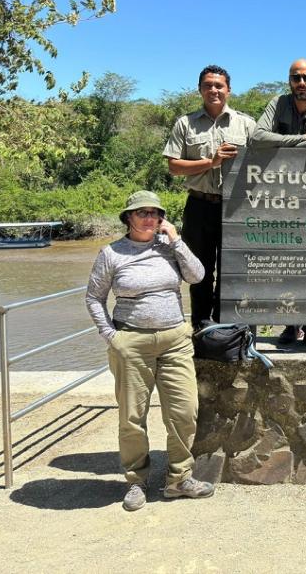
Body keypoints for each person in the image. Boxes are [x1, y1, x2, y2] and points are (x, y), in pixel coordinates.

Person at [85, 191, 215, 511]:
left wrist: (177, 241)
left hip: (175, 340)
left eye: (154, 213)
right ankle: (136, 481)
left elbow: (197, 276)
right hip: (131, 342)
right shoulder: (111, 253)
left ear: (162, 219)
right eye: (141, 213)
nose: (148, 218)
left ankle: (178, 479)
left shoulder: (169, 248)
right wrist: (111, 337)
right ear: (128, 218)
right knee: (132, 418)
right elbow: (94, 298)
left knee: (184, 412)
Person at [252, 58, 306, 348]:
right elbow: (257, 137)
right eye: (296, 77)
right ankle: (290, 325)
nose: (301, 83)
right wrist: (304, 137)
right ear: (289, 81)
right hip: (282, 195)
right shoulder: (277, 102)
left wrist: (283, 143)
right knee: (287, 260)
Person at [163, 65, 256, 330]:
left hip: (235, 208)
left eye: (219, 85)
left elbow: (264, 165)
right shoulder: (186, 123)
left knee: (232, 270)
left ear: (228, 89)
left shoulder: (246, 124)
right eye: (208, 85)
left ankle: (227, 327)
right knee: (198, 271)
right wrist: (211, 162)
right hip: (199, 205)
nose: (213, 90)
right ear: (200, 89)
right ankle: (201, 329)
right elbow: (173, 166)